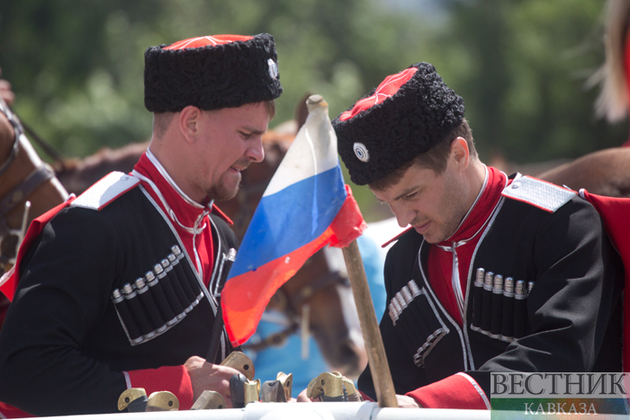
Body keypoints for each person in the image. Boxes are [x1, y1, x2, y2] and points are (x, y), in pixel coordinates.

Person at [0, 33, 282, 416]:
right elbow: (20, 371)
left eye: (260, 136)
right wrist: (178, 387)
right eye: (246, 134)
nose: (257, 153)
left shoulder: (220, 234)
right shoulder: (89, 226)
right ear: (191, 122)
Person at [329, 62, 623, 408]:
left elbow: (561, 361)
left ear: (458, 155)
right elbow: (390, 383)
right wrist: (336, 405)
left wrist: (429, 404)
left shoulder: (562, 221)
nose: (402, 220)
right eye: (388, 203)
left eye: (411, 195)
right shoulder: (404, 259)